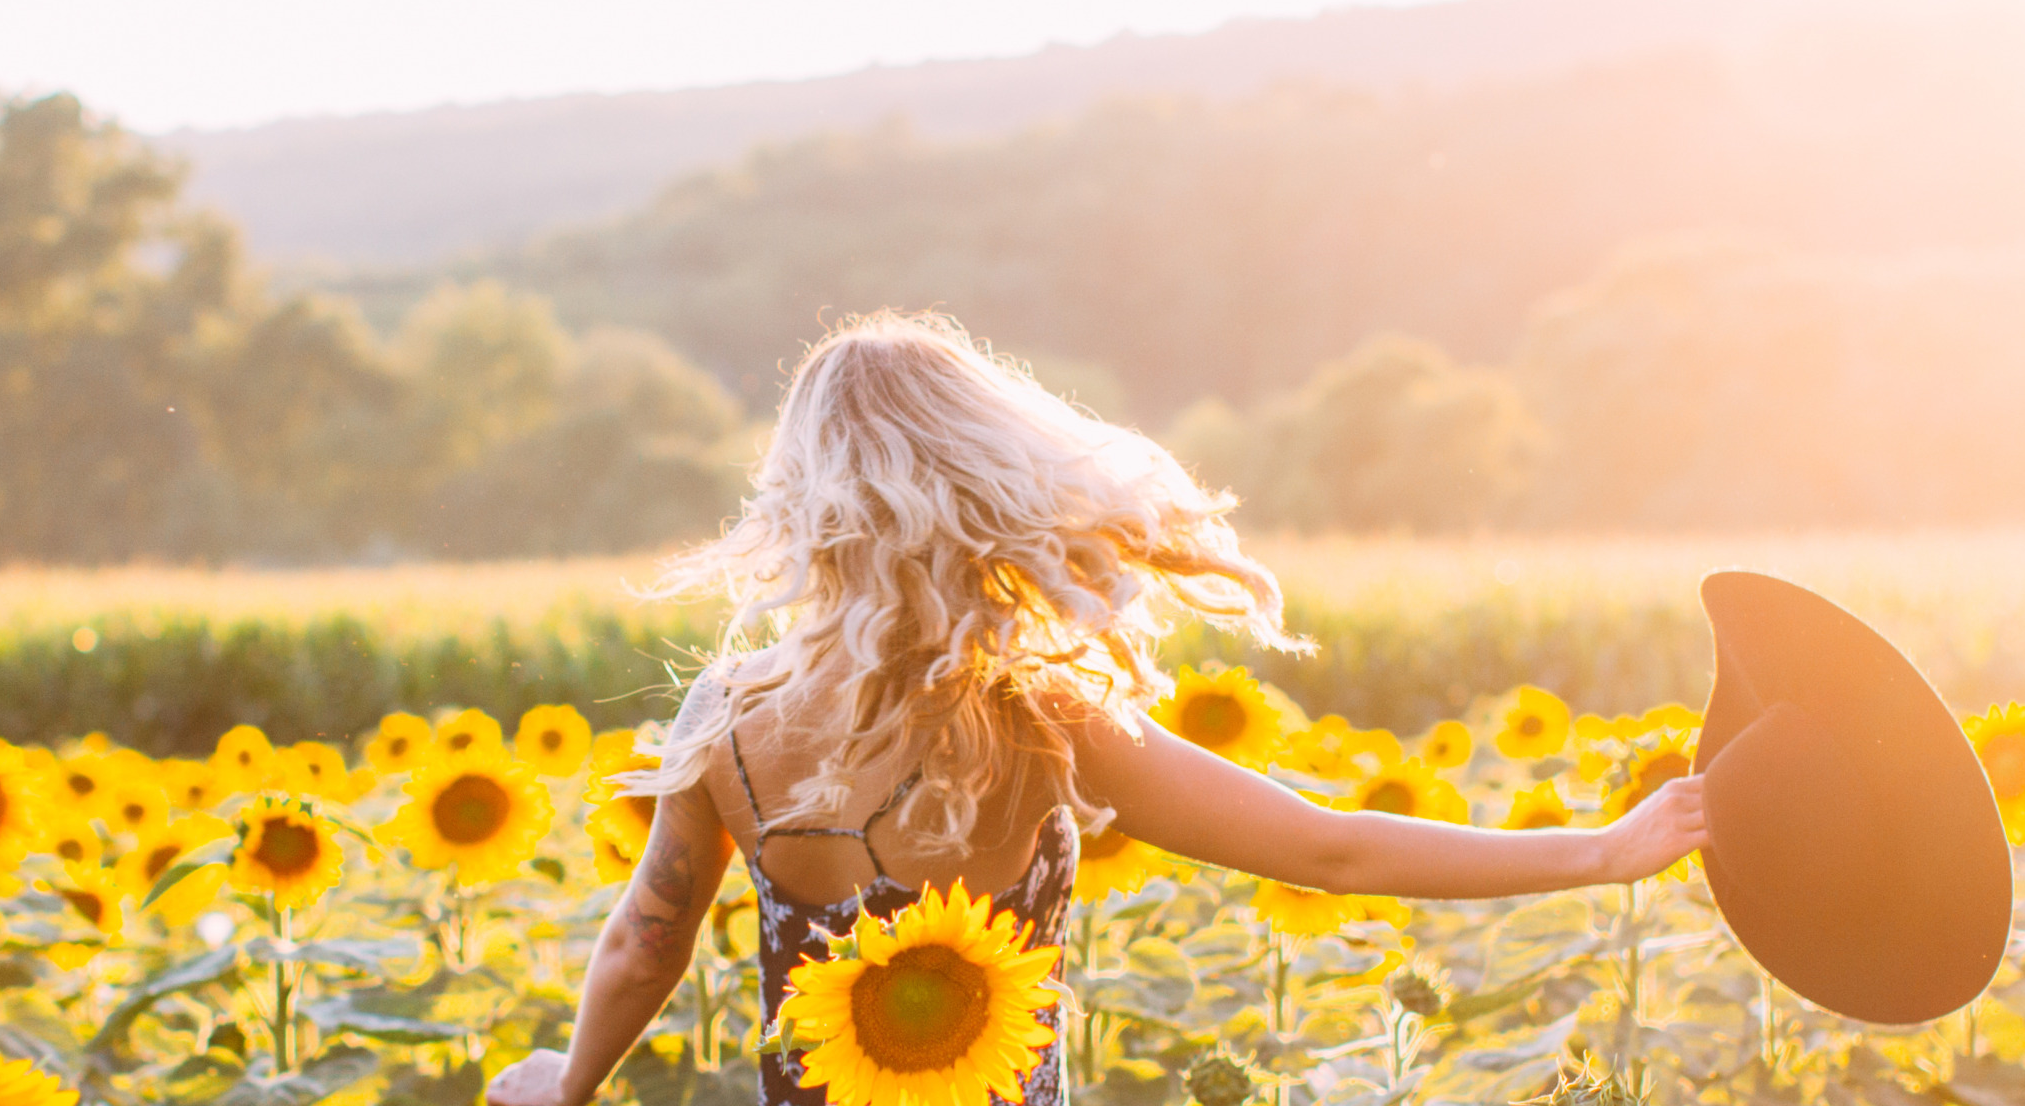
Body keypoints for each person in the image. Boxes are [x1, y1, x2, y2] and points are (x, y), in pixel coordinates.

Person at [485, 313, 1706, 1106]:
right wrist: (1599, 852)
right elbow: (1323, 846)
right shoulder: (1035, 710)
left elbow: (649, 937)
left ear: (802, 498)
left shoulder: (730, 709)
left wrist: (568, 1085)